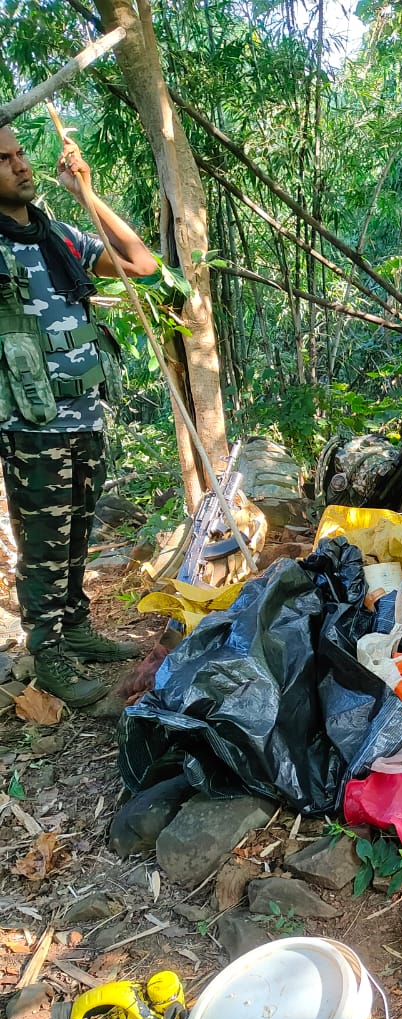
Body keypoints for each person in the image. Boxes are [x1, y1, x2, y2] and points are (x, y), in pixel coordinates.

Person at [0, 123, 155, 707]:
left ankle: (76, 627)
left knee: (75, 537)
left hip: (86, 415)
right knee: (43, 543)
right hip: (32, 424)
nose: (20, 166)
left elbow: (140, 265)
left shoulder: (59, 236)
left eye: (21, 154)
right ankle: (49, 654)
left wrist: (86, 195)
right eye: (4, 159)